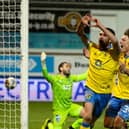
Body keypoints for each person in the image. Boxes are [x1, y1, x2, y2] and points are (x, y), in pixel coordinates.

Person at [77, 14, 120, 129]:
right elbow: (80, 34)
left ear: (109, 39)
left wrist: (100, 25)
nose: (101, 36)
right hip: (90, 88)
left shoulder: (115, 53)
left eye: (104, 35)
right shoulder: (93, 47)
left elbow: (115, 41)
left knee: (91, 122)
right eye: (100, 35)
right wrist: (81, 24)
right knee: (87, 117)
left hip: (105, 94)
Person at [40, 52, 88, 129]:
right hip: (59, 110)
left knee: (87, 116)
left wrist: (94, 67)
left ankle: (73, 127)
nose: (69, 68)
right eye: (66, 66)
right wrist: (43, 62)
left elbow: (83, 76)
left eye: (69, 67)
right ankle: (48, 123)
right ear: (61, 69)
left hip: (70, 106)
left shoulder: (71, 78)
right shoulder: (55, 79)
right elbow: (46, 75)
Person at [104, 28, 129, 129]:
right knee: (108, 124)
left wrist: (126, 70)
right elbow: (109, 45)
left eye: (123, 40)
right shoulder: (119, 55)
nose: (120, 41)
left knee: (118, 123)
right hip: (116, 96)